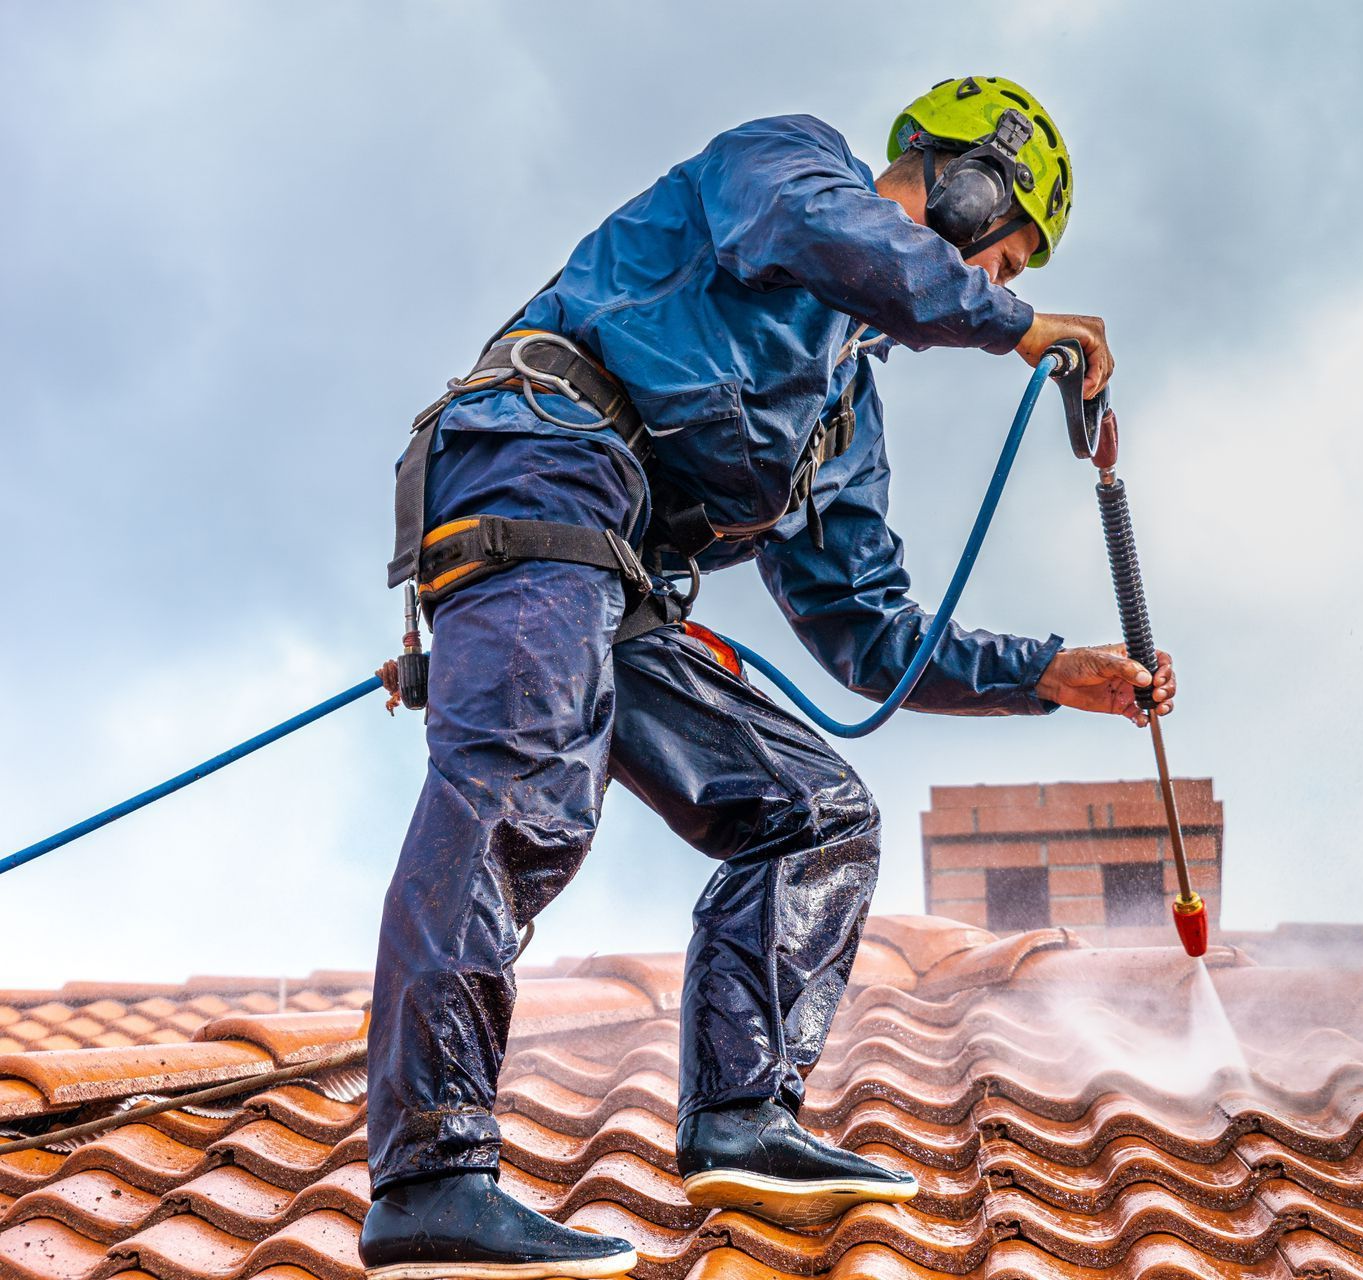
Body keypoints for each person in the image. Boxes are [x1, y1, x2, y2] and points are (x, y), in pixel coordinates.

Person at [358, 76, 1177, 1279]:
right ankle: (428, 1175)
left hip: (617, 576)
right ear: (959, 180)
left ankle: (743, 1114)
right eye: (1007, 250)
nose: (1004, 283)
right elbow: (820, 234)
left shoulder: (843, 412)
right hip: (535, 472)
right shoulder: (790, 166)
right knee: (524, 789)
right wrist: (1014, 329)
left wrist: (1055, 673)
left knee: (815, 810)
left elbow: (870, 633)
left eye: (1015, 274)